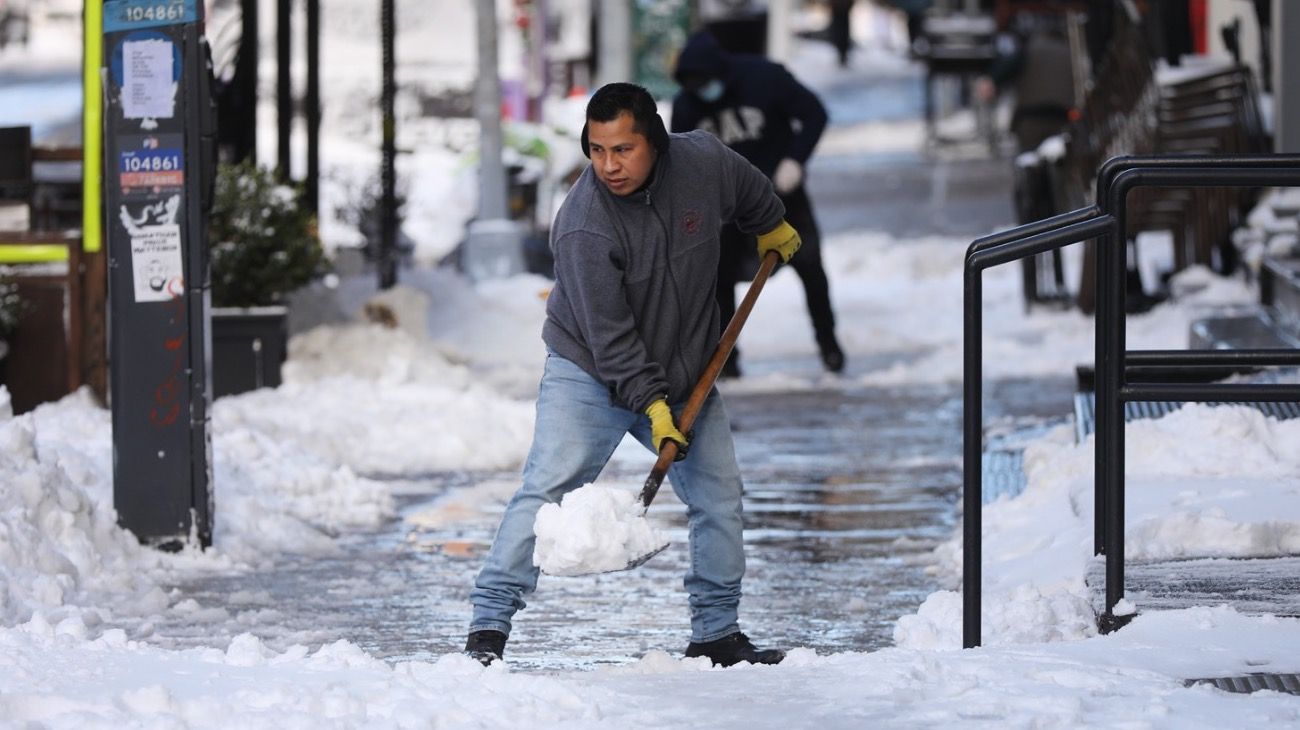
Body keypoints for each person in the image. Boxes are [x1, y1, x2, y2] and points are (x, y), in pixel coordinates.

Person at [464, 82, 798, 668]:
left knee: (719, 497)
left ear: (658, 143)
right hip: (589, 372)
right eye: (596, 150)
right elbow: (610, 338)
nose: (608, 166)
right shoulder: (584, 226)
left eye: (623, 150)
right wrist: (653, 405)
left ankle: (717, 633)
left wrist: (769, 221)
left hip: (687, 372)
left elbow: (748, 189)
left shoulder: (701, 162)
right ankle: (488, 626)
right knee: (547, 488)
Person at [671, 31, 844, 378]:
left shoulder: (764, 78)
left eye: (704, 82)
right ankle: (726, 362)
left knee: (810, 266)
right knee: (717, 278)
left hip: (782, 196)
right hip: (727, 209)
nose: (702, 90)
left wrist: (794, 160)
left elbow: (815, 114)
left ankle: (829, 345)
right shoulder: (688, 104)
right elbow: (679, 160)